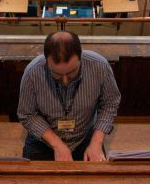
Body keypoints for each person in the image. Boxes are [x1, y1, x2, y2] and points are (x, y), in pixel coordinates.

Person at [17, 31, 120, 161]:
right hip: (44, 140)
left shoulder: (100, 66)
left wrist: (97, 141)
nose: (65, 81)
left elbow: (110, 103)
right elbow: (27, 114)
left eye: (72, 72)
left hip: (85, 137)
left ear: (80, 56)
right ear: (46, 60)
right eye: (57, 74)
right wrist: (56, 143)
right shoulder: (32, 72)